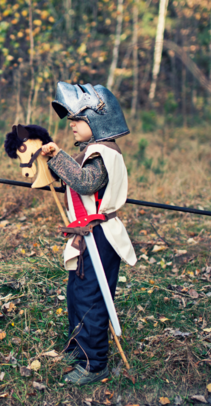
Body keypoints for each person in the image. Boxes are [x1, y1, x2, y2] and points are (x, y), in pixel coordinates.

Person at [40, 82, 137, 385]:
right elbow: (76, 181)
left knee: (92, 300)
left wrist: (58, 155)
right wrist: (52, 164)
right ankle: (78, 349)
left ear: (96, 120)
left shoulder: (103, 154)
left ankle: (95, 364)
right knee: (77, 294)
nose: (71, 126)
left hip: (101, 237)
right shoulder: (93, 151)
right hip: (88, 236)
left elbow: (85, 182)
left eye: (77, 120)